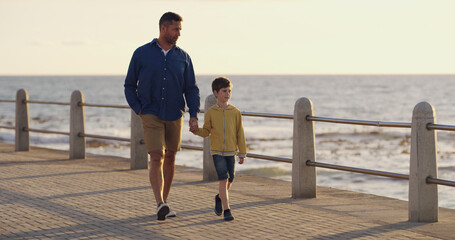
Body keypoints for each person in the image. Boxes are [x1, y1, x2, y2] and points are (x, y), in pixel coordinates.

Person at [124, 12, 200, 221]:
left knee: (171, 158)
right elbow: (130, 85)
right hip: (150, 113)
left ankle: (163, 204)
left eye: (180, 30)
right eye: (175, 29)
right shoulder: (141, 54)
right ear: (164, 28)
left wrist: (194, 114)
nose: (178, 34)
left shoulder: (183, 57)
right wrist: (138, 108)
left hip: (175, 113)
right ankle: (160, 203)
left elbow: (191, 89)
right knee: (156, 156)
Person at [192, 77, 246, 221]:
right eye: (224, 91)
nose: (227, 94)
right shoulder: (211, 112)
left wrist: (242, 152)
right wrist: (196, 131)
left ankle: (220, 197)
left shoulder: (235, 112)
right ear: (216, 93)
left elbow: (240, 133)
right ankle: (227, 210)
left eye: (229, 91)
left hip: (231, 151)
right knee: (223, 178)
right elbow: (206, 132)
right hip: (217, 152)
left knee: (231, 179)